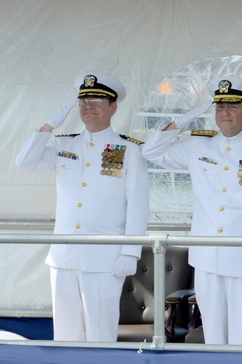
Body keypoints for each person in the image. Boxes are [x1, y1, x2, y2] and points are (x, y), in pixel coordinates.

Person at [142, 76, 242, 345]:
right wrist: (182, 121)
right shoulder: (197, 145)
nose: (225, 112)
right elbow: (151, 152)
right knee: (213, 333)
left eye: (233, 106)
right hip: (207, 257)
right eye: (220, 107)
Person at [15, 73, 149, 342]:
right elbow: (25, 162)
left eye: (97, 99)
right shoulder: (64, 143)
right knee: (65, 332)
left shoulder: (129, 149)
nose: (89, 105)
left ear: (113, 107)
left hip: (104, 258)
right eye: (84, 99)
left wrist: (131, 251)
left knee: (100, 331)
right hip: (64, 256)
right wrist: (50, 125)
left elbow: (138, 204)